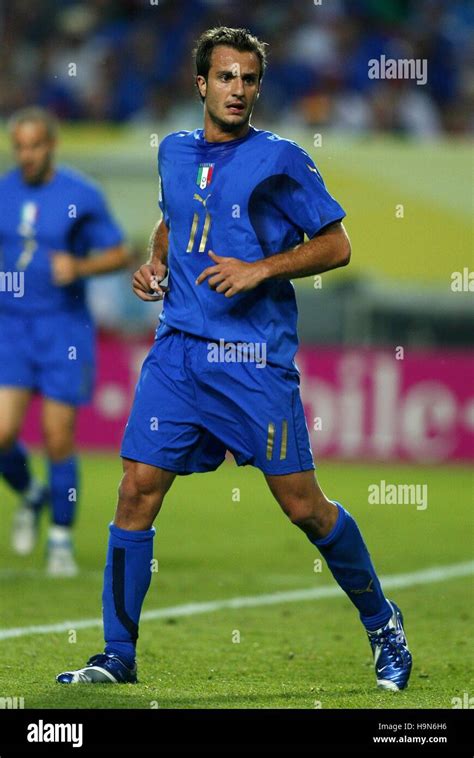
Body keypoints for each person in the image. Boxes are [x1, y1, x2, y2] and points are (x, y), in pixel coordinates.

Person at [57, 27, 412, 690]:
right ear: (200, 83)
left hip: (252, 359)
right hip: (179, 353)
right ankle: (116, 655)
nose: (238, 91)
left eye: (249, 80)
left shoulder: (280, 159)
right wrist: (156, 263)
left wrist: (261, 269)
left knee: (304, 506)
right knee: (136, 489)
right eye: (226, 77)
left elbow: (336, 246)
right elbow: (175, 213)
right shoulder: (172, 150)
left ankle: (384, 625)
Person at [0, 107, 129, 576]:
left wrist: (79, 268)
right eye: (19, 147)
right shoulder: (3, 191)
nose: (26, 155)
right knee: (2, 434)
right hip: (10, 327)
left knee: (57, 437)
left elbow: (120, 251)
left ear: (50, 145)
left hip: (62, 330)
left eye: (35, 146)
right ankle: (32, 494)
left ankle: (60, 538)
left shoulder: (81, 194)